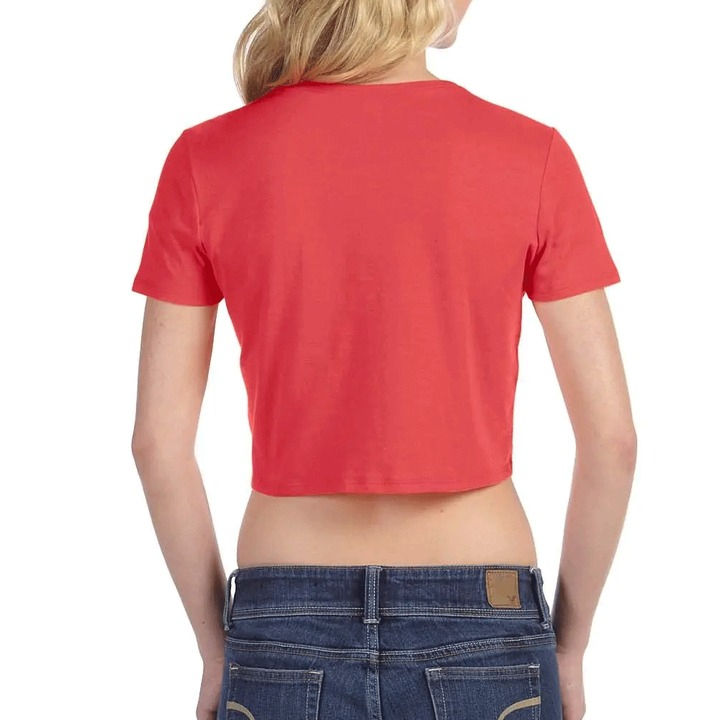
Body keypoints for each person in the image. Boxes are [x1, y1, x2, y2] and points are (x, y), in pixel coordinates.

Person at [130, 1, 637, 719]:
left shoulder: (204, 159)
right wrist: (570, 648)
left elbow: (157, 445)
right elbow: (612, 443)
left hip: (282, 617)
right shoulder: (532, 154)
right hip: (482, 614)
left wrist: (216, 650)